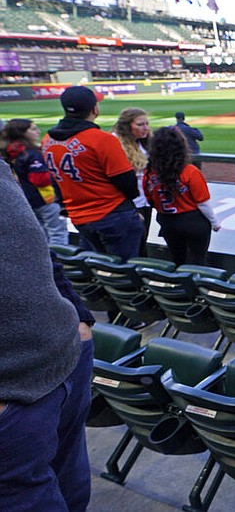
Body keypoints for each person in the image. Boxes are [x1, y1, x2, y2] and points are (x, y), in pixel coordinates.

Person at [0, 158, 94, 512]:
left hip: (67, 357)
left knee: (73, 489)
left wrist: (80, 318)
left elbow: (34, 241)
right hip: (14, 400)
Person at [42, 86, 144, 261]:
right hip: (114, 214)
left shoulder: (47, 140)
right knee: (124, 270)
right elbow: (126, 182)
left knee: (99, 266)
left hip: (79, 217)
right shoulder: (102, 140)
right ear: (94, 109)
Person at [144, 126, 221, 266]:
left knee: (178, 260)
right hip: (193, 222)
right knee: (198, 260)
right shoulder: (190, 171)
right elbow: (203, 203)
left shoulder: (149, 173)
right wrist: (214, 222)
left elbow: (149, 200)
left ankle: (181, 286)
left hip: (166, 221)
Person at [1, 118, 68, 245]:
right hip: (46, 199)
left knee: (42, 232)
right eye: (32, 129)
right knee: (58, 232)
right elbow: (40, 179)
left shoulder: (11, 151)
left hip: (27, 199)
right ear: (22, 133)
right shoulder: (31, 154)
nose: (37, 131)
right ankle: (58, 260)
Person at [113, 108, 153, 256]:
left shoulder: (142, 142)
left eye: (146, 124)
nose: (146, 128)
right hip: (128, 205)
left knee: (142, 241)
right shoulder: (115, 143)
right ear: (127, 126)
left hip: (144, 201)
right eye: (140, 125)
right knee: (133, 247)